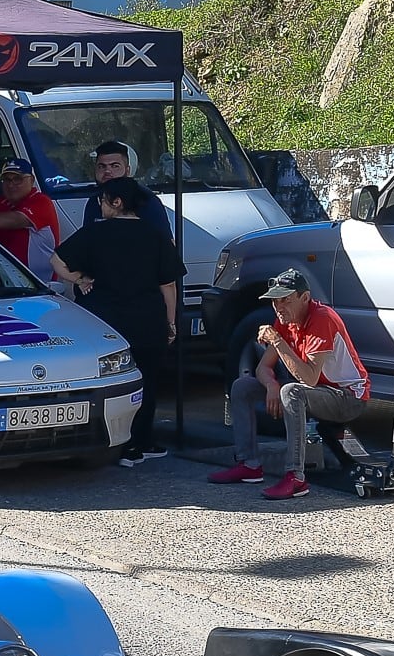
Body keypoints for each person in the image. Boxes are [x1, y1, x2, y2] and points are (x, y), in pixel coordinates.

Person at [54, 176, 185, 464]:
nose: (100, 206)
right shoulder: (156, 235)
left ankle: (108, 440)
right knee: (147, 383)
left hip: (104, 322)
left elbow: (57, 261)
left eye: (103, 200)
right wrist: (171, 323)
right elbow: (168, 286)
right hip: (147, 320)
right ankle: (140, 443)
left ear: (116, 202)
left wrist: (80, 278)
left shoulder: (93, 234)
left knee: (108, 383)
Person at [210, 267, 370, 501]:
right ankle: (249, 465)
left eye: (285, 300)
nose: (279, 307)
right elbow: (262, 368)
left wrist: (276, 340)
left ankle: (296, 478)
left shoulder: (322, 318)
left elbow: (309, 378)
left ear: (304, 298)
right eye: (275, 301)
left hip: (348, 397)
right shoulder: (285, 320)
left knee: (292, 390)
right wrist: (271, 386)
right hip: (318, 391)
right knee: (242, 387)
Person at [0, 159, 61, 281]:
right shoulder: (2, 203)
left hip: (38, 287)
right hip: (2, 283)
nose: (11, 185)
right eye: (6, 180)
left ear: (31, 180)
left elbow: (17, 219)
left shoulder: (41, 202)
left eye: (18, 179)